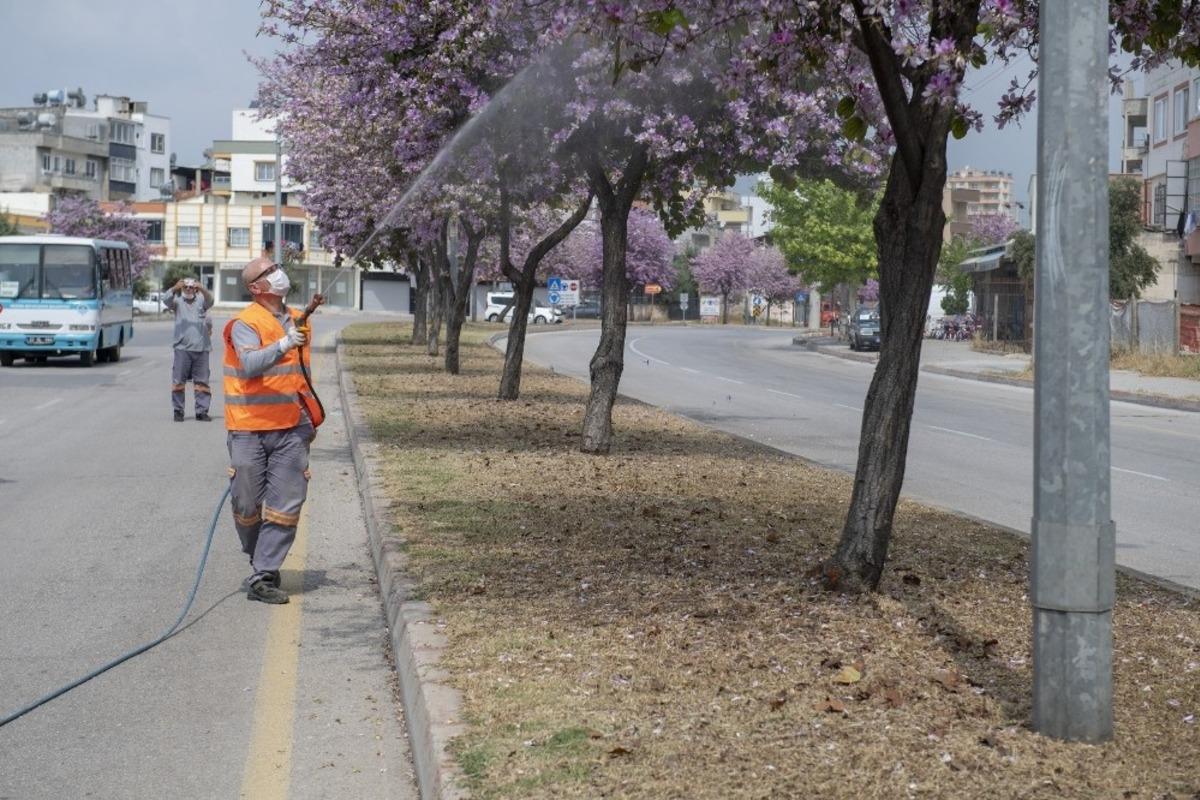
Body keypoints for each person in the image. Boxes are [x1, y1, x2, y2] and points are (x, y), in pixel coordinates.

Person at [223, 257, 324, 604]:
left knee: (286, 503)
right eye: (270, 271)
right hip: (248, 427)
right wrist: (283, 344)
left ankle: (264, 573)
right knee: (246, 503)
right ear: (256, 287)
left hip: (292, 426)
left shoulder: (296, 319)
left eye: (276, 267)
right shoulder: (244, 323)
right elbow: (250, 364)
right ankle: (259, 559)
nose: (279, 273)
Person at [164, 277, 214, 421]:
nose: (188, 289)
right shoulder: (178, 302)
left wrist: (202, 288)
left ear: (195, 288)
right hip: (182, 348)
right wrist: (175, 288)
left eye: (191, 287)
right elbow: (166, 300)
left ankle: (202, 411)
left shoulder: (201, 301)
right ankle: (178, 411)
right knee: (179, 381)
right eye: (185, 287)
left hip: (201, 348)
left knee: (202, 382)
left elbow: (210, 301)